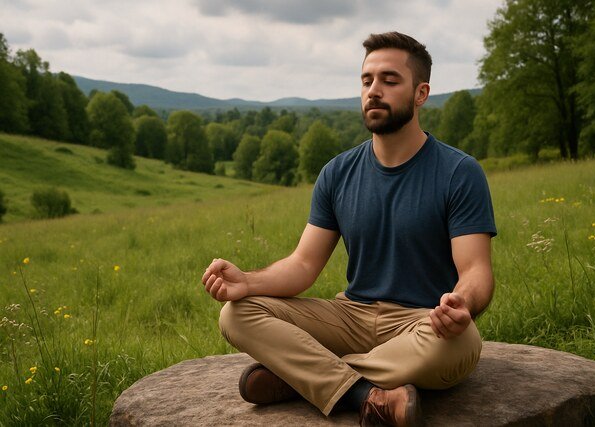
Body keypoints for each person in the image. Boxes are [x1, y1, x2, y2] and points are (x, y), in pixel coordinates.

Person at [202, 31, 497, 427]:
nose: (374, 90)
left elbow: (476, 270)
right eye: (367, 80)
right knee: (235, 315)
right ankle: (363, 394)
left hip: (421, 321)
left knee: (462, 344)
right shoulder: (337, 173)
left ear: (421, 93)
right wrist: (247, 283)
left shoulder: (459, 173)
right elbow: (304, 265)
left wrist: (460, 305)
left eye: (390, 80)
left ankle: (304, 379)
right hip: (350, 316)